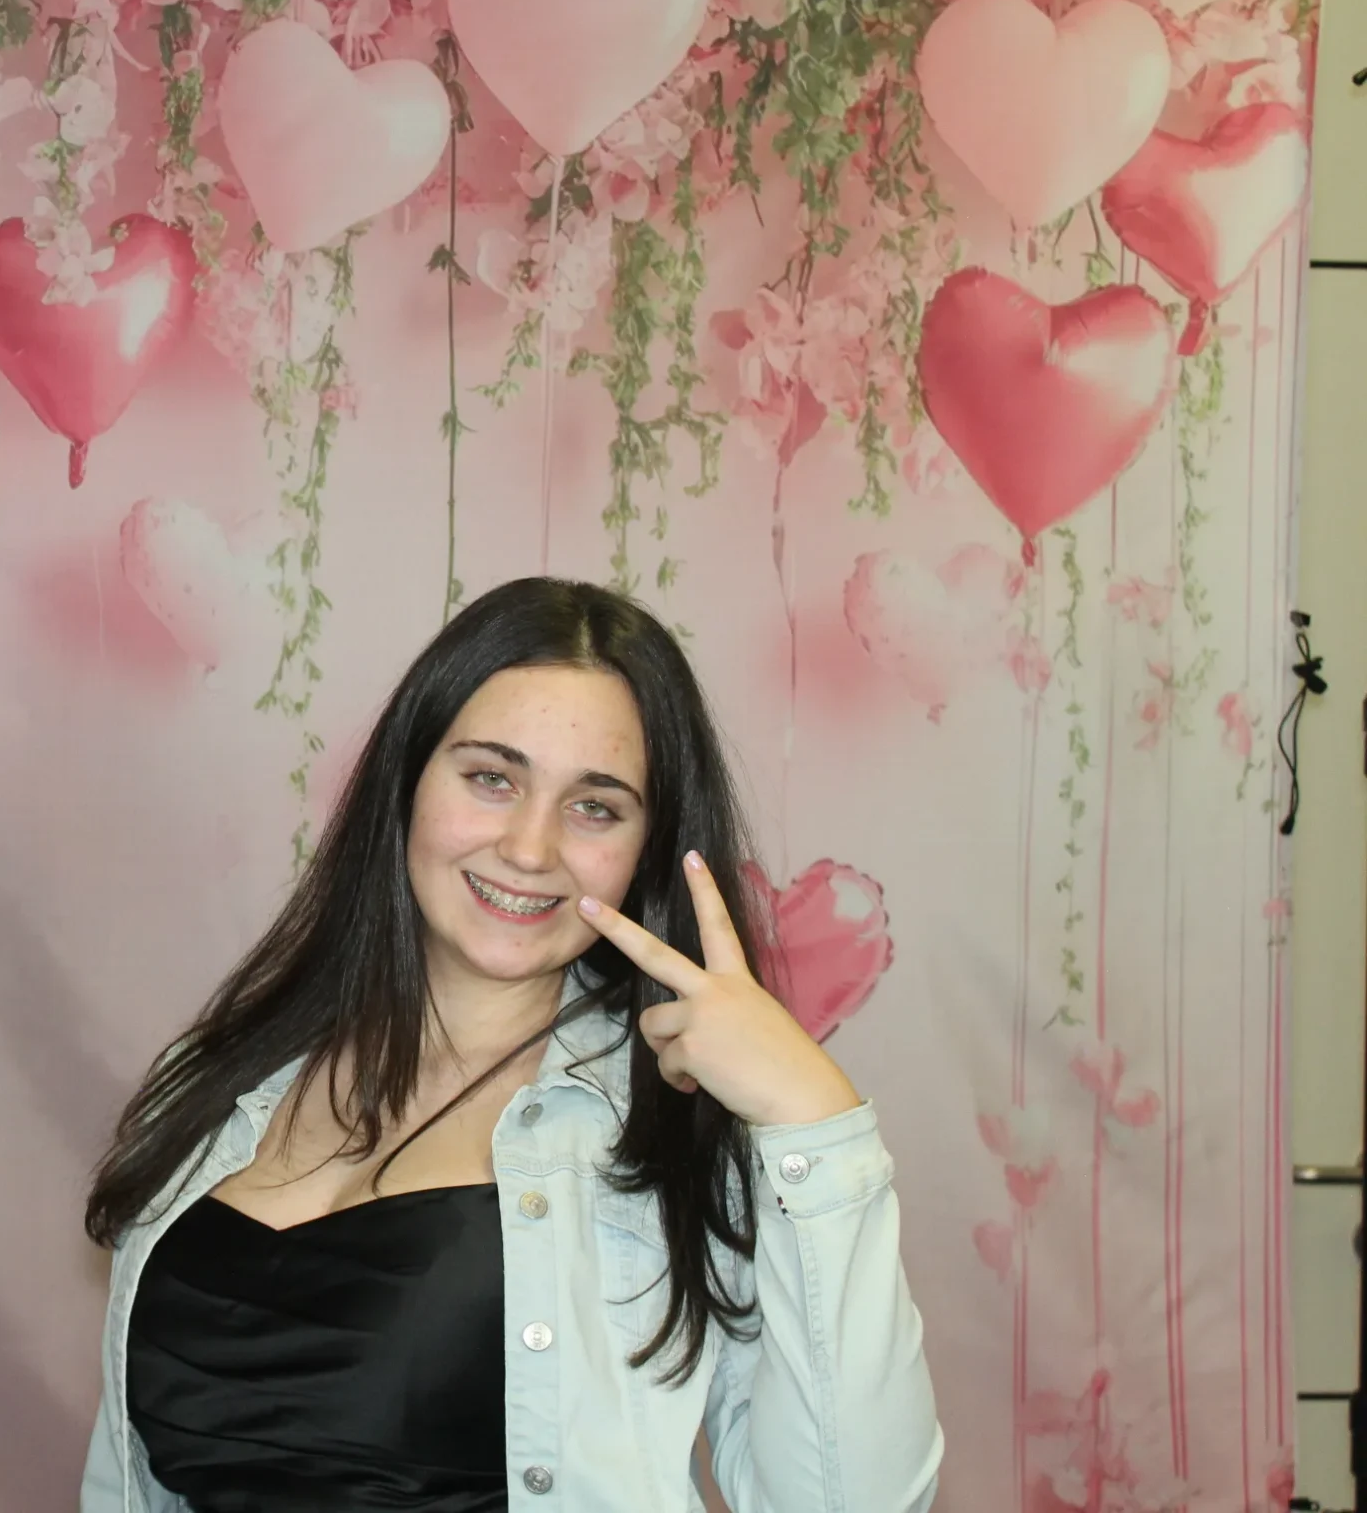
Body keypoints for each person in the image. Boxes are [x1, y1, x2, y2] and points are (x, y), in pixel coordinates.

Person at [80, 577, 942, 1512]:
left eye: (595, 806)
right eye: (492, 777)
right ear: (407, 782)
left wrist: (814, 1119)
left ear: (645, 850)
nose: (531, 848)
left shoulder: (678, 1128)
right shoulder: (216, 1081)